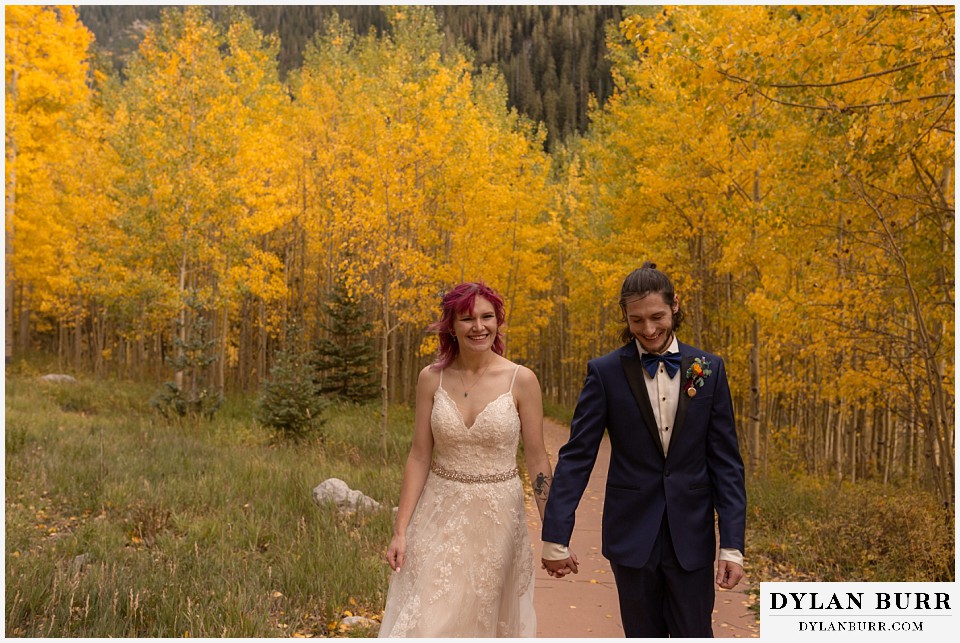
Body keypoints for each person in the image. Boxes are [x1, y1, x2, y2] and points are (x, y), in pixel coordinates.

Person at [540, 262, 746, 638]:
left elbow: (726, 465)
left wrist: (732, 546)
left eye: (657, 317)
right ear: (625, 316)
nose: (649, 330)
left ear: (675, 306)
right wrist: (556, 535)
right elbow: (577, 457)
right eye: (637, 320)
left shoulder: (708, 369)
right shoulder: (604, 373)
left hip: (692, 536)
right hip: (631, 535)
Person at [379, 281, 554, 637]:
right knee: (427, 620)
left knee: (484, 622)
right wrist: (401, 530)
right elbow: (418, 456)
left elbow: (536, 459)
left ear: (498, 322)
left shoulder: (522, 381)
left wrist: (555, 533)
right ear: (451, 326)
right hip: (437, 516)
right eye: (467, 318)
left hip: (499, 521)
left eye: (487, 317)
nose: (479, 326)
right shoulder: (431, 379)